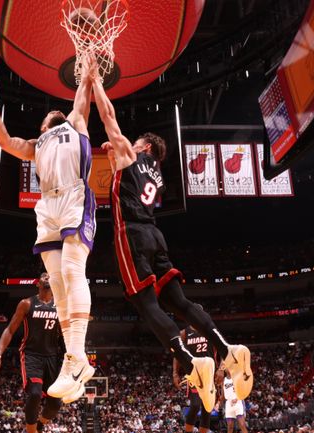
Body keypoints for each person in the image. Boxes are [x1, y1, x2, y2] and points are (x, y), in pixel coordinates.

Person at [87, 58, 254, 410]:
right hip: (156, 235)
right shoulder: (157, 174)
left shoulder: (133, 152)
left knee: (144, 303)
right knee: (179, 302)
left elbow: (108, 116)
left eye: (134, 142)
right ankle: (226, 349)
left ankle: (194, 365)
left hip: (130, 233)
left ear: (145, 145)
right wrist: (115, 151)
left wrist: (95, 81)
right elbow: (125, 160)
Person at [0, 63, 96, 399]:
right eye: (50, 113)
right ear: (42, 126)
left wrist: (87, 64)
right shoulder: (35, 144)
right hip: (47, 206)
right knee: (57, 284)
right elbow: (2, 139)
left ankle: (75, 356)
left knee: (74, 273)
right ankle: (76, 359)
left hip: (75, 195)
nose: (56, 111)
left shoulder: (74, 123)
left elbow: (83, 95)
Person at [0, 273, 65, 433]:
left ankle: (38, 426)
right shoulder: (27, 304)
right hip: (31, 356)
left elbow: (69, 332)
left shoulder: (61, 306)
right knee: (35, 394)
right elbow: (9, 330)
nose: (47, 277)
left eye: (50, 275)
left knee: (55, 403)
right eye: (43, 275)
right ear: (38, 283)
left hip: (53, 358)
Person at [173, 325, 216, 433]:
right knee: (195, 405)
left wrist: (221, 369)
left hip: (209, 374)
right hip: (193, 373)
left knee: (207, 410)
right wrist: (175, 373)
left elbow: (222, 350)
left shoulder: (209, 329)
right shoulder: (185, 333)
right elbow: (177, 353)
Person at [217, 366, 251, 433]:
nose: (227, 368)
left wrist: (237, 397)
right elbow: (223, 396)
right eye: (225, 367)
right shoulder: (223, 381)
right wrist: (218, 403)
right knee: (230, 428)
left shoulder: (237, 378)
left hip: (238, 402)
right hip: (228, 404)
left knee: (242, 424)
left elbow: (243, 390)